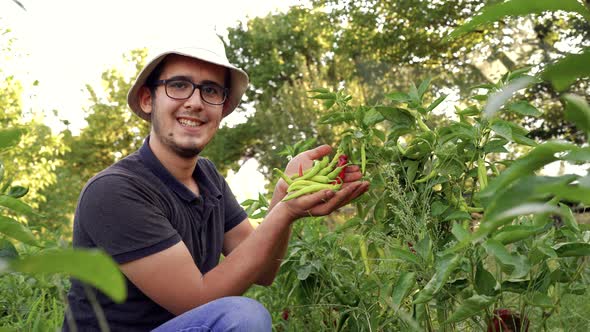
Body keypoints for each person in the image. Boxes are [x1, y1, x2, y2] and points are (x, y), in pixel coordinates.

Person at [63, 31, 369, 332]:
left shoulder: (207, 177)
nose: (195, 102)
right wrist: (285, 212)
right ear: (147, 99)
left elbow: (263, 272)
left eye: (210, 90)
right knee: (242, 316)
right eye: (179, 85)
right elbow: (198, 300)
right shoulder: (115, 191)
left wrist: (284, 196)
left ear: (221, 108)